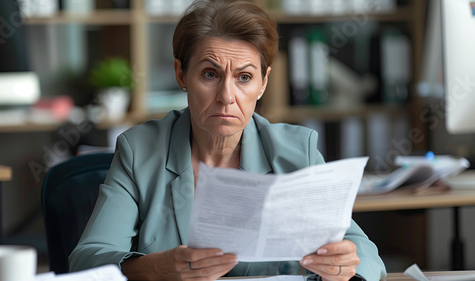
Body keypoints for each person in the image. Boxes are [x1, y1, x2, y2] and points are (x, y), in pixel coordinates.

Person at [69, 0, 387, 280]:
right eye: (210, 74)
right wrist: (155, 269)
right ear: (182, 75)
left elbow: (363, 253)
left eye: (244, 78)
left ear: (263, 83)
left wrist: (347, 268)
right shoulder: (140, 151)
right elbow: (87, 260)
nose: (226, 97)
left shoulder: (296, 151)